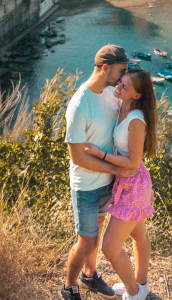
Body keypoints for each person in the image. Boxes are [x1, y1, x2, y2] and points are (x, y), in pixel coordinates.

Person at [61, 44, 138, 300]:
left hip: (108, 183)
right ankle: (69, 286)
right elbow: (77, 156)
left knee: (96, 234)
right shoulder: (79, 105)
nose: (124, 78)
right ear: (106, 68)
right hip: (86, 186)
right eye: (121, 72)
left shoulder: (110, 94)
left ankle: (90, 275)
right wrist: (115, 167)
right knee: (88, 242)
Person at [85, 69, 157, 300]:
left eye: (124, 87)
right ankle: (141, 284)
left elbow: (134, 162)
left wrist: (100, 155)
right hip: (127, 181)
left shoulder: (136, 120)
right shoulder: (121, 106)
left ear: (137, 96)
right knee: (139, 236)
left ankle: (134, 294)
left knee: (110, 248)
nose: (118, 88)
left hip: (132, 184)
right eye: (119, 83)